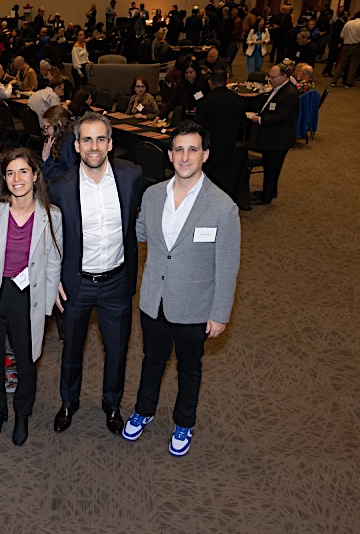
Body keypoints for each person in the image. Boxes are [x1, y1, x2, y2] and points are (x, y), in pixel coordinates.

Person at [121, 120, 240, 457]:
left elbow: (228, 266)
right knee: (152, 361)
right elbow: (138, 234)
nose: (185, 157)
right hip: (154, 300)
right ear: (170, 155)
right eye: (179, 149)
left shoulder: (223, 207)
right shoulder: (153, 195)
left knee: (189, 369)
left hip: (195, 306)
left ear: (205, 155)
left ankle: (184, 421)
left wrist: (220, 313)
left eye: (193, 149)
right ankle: (144, 410)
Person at [50, 112, 143, 436]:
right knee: (71, 350)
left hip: (117, 282)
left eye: (100, 139)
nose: (94, 146)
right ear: (76, 145)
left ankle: (112, 404)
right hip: (76, 284)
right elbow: (50, 235)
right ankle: (68, 402)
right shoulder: (59, 187)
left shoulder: (131, 176)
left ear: (110, 143)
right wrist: (53, 278)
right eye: (87, 139)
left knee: (117, 352)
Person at [0, 148, 63, 446]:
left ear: (35, 176)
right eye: (10, 173)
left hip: (27, 296)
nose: (16, 178)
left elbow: (53, 261)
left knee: (26, 359)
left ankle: (22, 414)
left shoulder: (51, 216)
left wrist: (46, 306)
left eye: (23, 171)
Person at [194, 69, 254, 209]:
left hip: (209, 148)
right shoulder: (237, 100)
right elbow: (242, 122)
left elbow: (198, 127)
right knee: (223, 181)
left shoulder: (206, 102)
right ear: (226, 82)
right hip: (229, 147)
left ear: (210, 82)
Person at [248, 64, 299, 205]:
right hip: (273, 136)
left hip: (278, 138)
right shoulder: (280, 88)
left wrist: (260, 119)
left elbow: (281, 117)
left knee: (272, 168)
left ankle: (266, 197)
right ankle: (270, 191)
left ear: (284, 76)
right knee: (270, 166)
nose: (269, 79)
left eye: (272, 77)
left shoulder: (290, 94)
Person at [158, 58, 210, 122]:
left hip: (203, 116)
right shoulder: (182, 84)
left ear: (196, 71)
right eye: (186, 73)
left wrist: (200, 108)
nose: (188, 75)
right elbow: (173, 101)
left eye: (191, 72)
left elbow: (209, 100)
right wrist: (160, 115)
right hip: (187, 116)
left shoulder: (205, 82)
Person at [330, 12, 360, 89]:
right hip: (357, 45)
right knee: (353, 65)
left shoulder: (348, 23)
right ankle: (349, 83)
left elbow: (342, 35)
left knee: (342, 63)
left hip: (346, 45)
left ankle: (334, 81)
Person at [41, 104, 77, 181]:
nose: (45, 132)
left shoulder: (68, 142)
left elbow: (64, 177)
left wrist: (47, 159)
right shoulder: (67, 136)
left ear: (59, 124)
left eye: (47, 127)